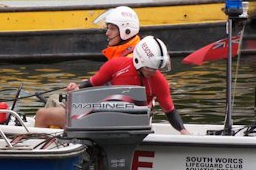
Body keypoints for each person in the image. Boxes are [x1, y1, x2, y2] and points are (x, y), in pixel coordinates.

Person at [35, 36, 190, 134]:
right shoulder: (116, 65)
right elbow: (91, 83)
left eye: (156, 69)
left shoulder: (159, 80)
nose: (153, 72)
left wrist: (183, 130)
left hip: (134, 124)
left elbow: (170, 111)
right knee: (43, 114)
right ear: (139, 61)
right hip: (100, 116)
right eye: (150, 68)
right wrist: (77, 87)